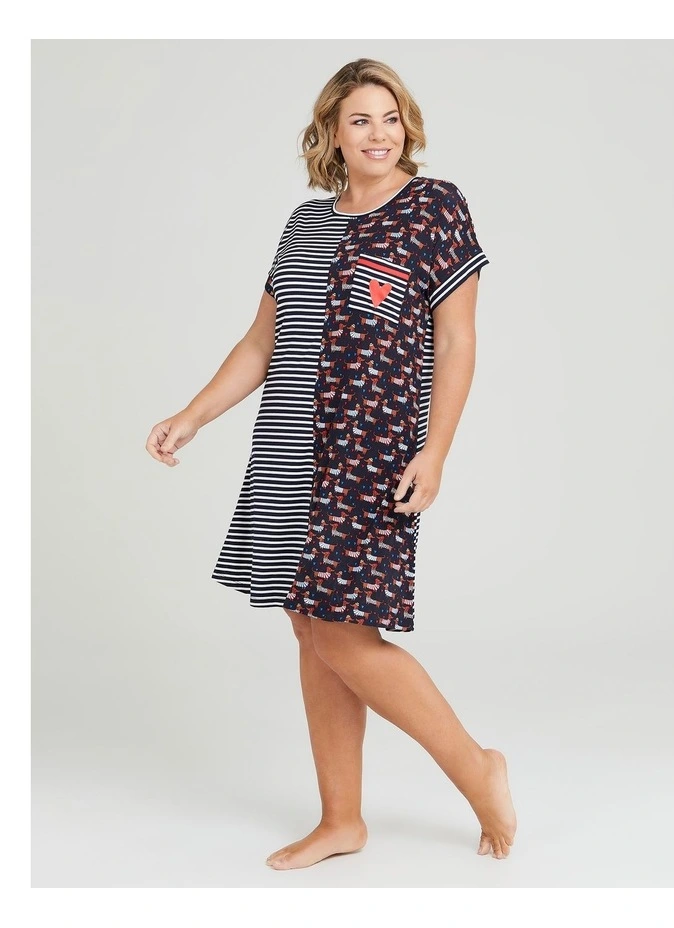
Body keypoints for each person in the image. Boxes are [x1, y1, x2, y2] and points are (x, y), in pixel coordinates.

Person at [146, 58, 516, 869]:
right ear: (332, 135)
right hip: (287, 448)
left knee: (345, 634)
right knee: (311, 627)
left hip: (369, 452)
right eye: (360, 120)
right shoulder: (305, 223)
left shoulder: (434, 207)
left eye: (390, 117)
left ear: (406, 127)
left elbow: (457, 339)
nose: (378, 133)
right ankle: (341, 819)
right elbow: (262, 341)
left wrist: (436, 450)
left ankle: (477, 769)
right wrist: (192, 416)